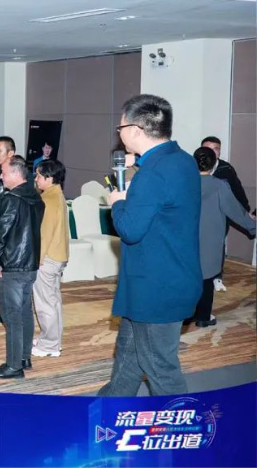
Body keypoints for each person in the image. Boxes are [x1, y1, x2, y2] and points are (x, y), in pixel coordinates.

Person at [98, 94, 201, 397]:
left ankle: (179, 420)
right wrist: (139, 164)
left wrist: (118, 202)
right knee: (128, 356)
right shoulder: (182, 160)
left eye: (120, 128)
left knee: (159, 366)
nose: (119, 134)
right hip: (167, 277)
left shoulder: (153, 174)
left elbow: (130, 230)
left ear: (136, 130)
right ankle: (112, 407)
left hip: (156, 287)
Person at [0, 155, 44, 380]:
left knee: (12, 316)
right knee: (25, 311)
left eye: (3, 172)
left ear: (15, 173)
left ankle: (13, 366)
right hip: (30, 264)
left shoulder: (11, 199)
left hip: (13, 265)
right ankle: (24, 358)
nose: (0, 177)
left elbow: (1, 235)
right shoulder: (36, 197)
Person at [191, 147, 255, 327]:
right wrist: (253, 227)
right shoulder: (219, 186)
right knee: (206, 278)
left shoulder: (183, 183)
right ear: (213, 164)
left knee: (188, 276)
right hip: (209, 238)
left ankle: (186, 315)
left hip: (185, 237)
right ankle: (203, 317)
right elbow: (236, 212)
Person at [0, 136, 33, 324]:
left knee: (11, 274)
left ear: (11, 153)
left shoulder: (23, 177)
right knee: (2, 272)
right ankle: (4, 310)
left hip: (15, 233)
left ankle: (12, 312)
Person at [200, 135, 250, 293]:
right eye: (207, 149)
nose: (211, 152)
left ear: (219, 152)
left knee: (217, 244)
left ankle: (216, 277)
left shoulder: (226, 169)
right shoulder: (193, 167)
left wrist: (246, 212)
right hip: (199, 215)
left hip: (220, 215)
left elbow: (237, 191)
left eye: (215, 149)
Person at [32, 159, 69, 358]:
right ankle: (53, 340)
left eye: (39, 175)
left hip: (47, 258)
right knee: (53, 301)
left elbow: (44, 234)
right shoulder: (58, 195)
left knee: (45, 302)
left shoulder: (48, 200)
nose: (36, 179)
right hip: (57, 255)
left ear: (49, 178)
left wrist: (37, 259)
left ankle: (49, 345)